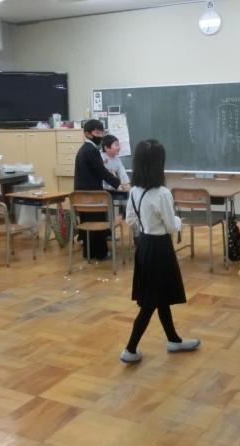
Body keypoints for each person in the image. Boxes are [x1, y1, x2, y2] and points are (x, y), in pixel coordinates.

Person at [121, 139, 200, 364]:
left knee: (159, 295)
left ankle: (173, 340)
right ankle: (130, 349)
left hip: (145, 246)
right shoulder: (162, 193)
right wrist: (179, 220)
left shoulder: (134, 190)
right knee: (151, 302)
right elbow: (172, 226)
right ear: (158, 164)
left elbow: (130, 220)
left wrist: (147, 223)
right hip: (160, 248)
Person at [74, 119, 125, 259]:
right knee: (97, 222)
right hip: (92, 195)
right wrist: (119, 184)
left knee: (88, 223)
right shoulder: (91, 151)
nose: (100, 136)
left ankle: (89, 253)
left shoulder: (84, 149)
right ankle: (100, 254)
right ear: (87, 134)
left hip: (82, 195)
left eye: (102, 132)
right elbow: (102, 172)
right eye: (97, 133)